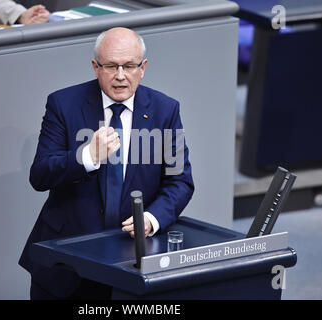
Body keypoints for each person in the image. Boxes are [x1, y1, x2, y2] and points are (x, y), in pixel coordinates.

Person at [18, 27, 194, 300]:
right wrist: (87, 156)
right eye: (111, 66)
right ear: (95, 67)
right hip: (67, 259)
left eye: (129, 66)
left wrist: (151, 218)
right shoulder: (63, 104)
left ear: (143, 67)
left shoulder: (165, 110)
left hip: (131, 260)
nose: (121, 76)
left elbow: (179, 180)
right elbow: (40, 175)